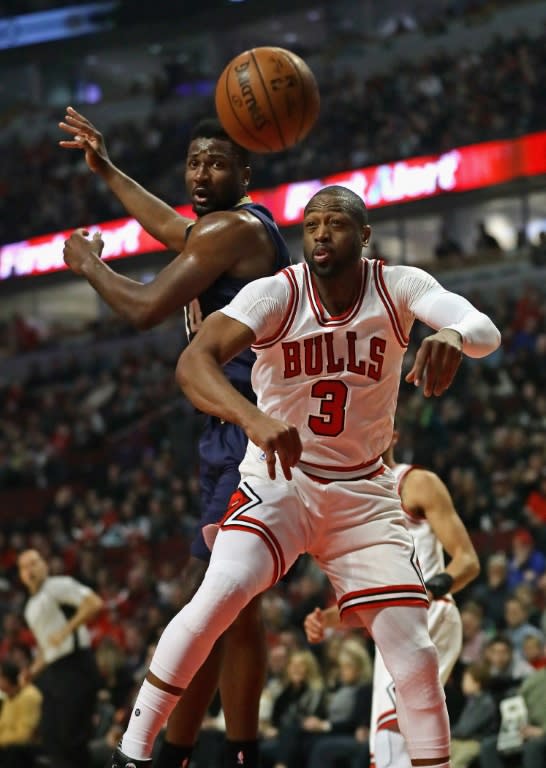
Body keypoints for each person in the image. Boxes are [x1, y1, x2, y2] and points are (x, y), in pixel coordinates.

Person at [105, 184, 500, 768]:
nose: (320, 233)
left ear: (363, 236)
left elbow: (482, 327)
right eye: (312, 223)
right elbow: (193, 363)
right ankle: (133, 753)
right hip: (279, 480)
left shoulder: (399, 286)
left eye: (335, 223)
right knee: (220, 595)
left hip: (364, 492)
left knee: (415, 653)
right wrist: (250, 417)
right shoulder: (276, 293)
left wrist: (450, 335)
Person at [59, 107, 291, 768]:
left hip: (250, 427)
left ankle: (159, 753)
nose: (202, 172)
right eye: (194, 162)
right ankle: (223, 753)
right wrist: (108, 169)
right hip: (226, 431)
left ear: (245, 173)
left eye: (217, 163)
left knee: (208, 596)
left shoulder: (229, 231)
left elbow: (141, 308)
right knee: (231, 610)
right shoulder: (225, 229)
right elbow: (169, 226)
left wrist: (87, 265)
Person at [304, 430, 481, 768]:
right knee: (392, 746)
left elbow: (468, 561)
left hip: (427, 611)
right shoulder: (352, 501)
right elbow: (374, 598)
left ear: (393, 435)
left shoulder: (416, 482)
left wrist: (424, 591)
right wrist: (327, 619)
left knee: (394, 733)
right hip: (392, 623)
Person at [17, 548, 103, 768]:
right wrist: (32, 670)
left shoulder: (57, 585)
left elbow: (94, 603)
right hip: (55, 672)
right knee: (50, 736)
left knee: (71, 738)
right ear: (20, 576)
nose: (30, 570)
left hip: (76, 666)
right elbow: (47, 648)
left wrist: (67, 630)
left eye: (34, 563)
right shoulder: (29, 607)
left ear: (45, 566)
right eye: (25, 567)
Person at [0, 659, 43, 768]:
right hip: (9, 745)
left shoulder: (29, 696)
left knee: (12, 751)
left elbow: (24, 735)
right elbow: (3, 727)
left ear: (7, 679)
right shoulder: (8, 697)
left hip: (32, 746)